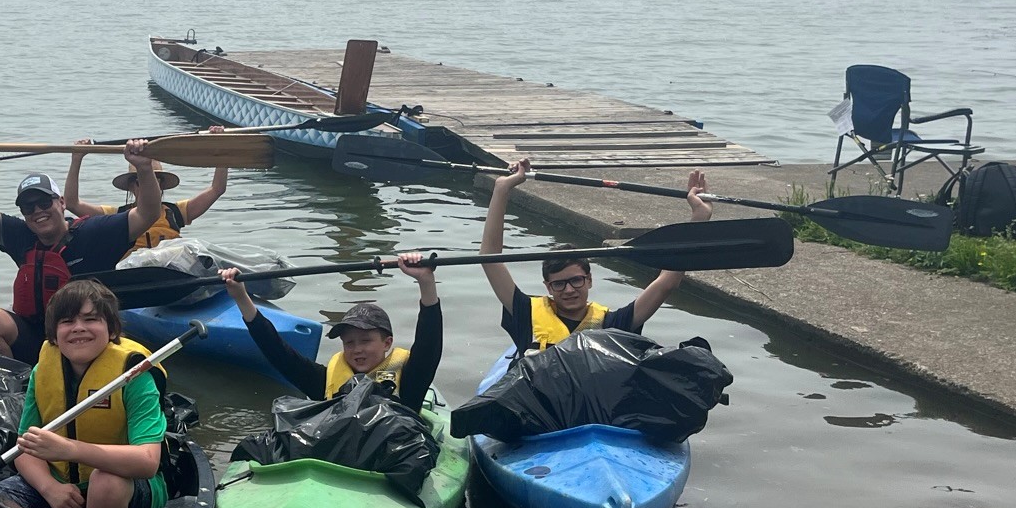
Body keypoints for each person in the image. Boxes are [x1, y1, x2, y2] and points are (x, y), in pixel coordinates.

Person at [0, 136, 163, 363]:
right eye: (28, 207)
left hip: (83, 335)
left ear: (62, 202)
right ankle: (16, 387)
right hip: (37, 335)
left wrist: (143, 167)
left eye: (45, 202)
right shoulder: (22, 235)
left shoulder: (94, 232)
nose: (38, 211)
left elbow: (148, 212)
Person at [480, 157, 711, 354]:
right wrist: (502, 188)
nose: (569, 290)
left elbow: (667, 283)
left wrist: (699, 219)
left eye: (576, 280)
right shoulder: (525, 312)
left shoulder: (612, 324)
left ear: (589, 280)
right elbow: (490, 258)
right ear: (548, 288)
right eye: (559, 284)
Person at [0, 279, 168, 508]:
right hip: (62, 490)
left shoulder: (135, 376)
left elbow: (147, 461)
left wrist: (68, 449)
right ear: (54, 335)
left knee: (106, 482)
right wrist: (49, 487)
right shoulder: (42, 372)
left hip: (130, 492)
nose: (78, 328)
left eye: (91, 319)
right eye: (66, 321)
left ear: (111, 330)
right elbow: (25, 448)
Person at [221, 255, 443, 411]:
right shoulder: (326, 382)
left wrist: (425, 281)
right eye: (349, 343)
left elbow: (428, 344)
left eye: (365, 341)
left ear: (387, 343)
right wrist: (241, 297)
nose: (357, 350)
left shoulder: (410, 380)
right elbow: (278, 351)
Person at [63, 126, 231, 253]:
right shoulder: (115, 216)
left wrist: (220, 146)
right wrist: (76, 159)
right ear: (130, 186)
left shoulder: (176, 212)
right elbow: (72, 203)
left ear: (162, 184)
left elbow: (217, 188)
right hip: (134, 275)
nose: (146, 185)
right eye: (139, 180)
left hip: (171, 272)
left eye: (153, 179)